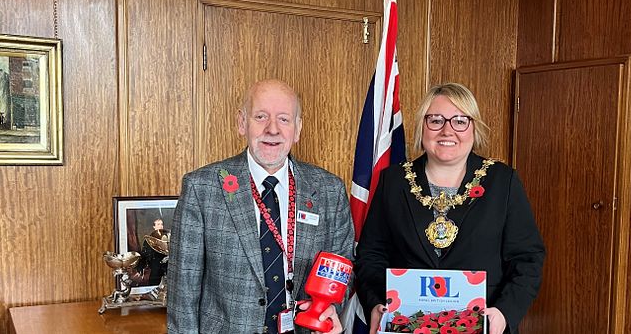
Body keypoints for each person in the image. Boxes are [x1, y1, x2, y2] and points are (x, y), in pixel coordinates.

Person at [355, 83, 545, 334]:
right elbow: (371, 254)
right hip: (408, 325)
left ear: (473, 127)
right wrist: (377, 303)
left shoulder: (502, 181)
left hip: (482, 325)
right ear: (422, 126)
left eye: (459, 121)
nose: (447, 130)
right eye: (435, 120)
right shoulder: (394, 181)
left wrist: (503, 313)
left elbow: (527, 259)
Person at [168, 79, 354, 334]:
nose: (273, 129)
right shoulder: (203, 188)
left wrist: (329, 307)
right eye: (261, 117)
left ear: (297, 129)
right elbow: (183, 293)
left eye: (284, 119)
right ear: (242, 123)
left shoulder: (329, 190)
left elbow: (343, 268)